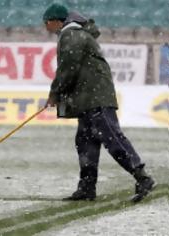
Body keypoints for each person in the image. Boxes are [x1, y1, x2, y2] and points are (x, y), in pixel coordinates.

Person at [42, 3, 155, 202]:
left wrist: (55, 93)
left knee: (112, 139)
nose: (45, 28)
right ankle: (86, 188)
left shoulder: (71, 35)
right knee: (85, 143)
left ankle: (142, 177)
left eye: (46, 23)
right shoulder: (75, 34)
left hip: (95, 99)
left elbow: (68, 67)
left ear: (55, 21)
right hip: (89, 99)